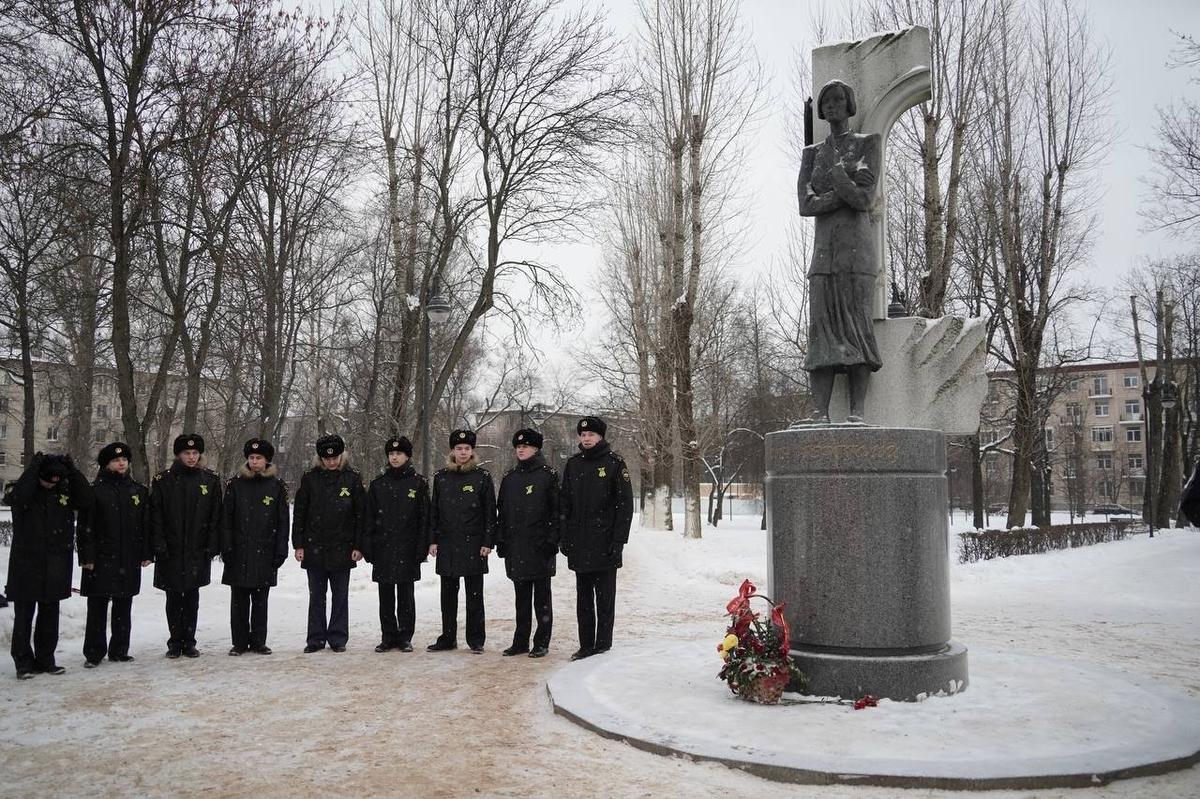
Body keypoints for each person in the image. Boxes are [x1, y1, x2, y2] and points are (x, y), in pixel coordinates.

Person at [797, 79, 883, 423]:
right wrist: (843, 190)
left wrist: (835, 176)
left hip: (857, 255)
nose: (831, 105)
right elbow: (806, 204)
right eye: (825, 101)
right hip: (823, 257)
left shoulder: (866, 144)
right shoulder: (812, 153)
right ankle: (820, 412)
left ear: (849, 104)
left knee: (857, 330)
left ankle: (857, 411)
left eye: (837, 99)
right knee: (820, 334)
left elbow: (864, 199)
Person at [5, 453, 92, 678]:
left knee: (50, 615)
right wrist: (33, 469)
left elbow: (86, 499)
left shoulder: (63, 493)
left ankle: (46, 659)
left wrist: (73, 471)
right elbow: (18, 497)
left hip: (55, 563)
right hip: (26, 564)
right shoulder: (25, 492)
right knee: (24, 617)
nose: (51, 484)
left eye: (55, 481)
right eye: (47, 480)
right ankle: (23, 662)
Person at [560, 416, 633, 661]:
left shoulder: (614, 464)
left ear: (600, 437)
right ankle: (585, 644)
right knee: (583, 599)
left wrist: (618, 540)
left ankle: (602, 644)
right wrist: (565, 536)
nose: (586, 438)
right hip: (580, 543)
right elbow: (565, 503)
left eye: (591, 434)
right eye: (583, 435)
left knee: (604, 598)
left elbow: (625, 505)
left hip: (605, 543)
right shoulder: (573, 464)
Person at [150, 433, 223, 659]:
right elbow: (156, 516)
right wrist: (159, 545)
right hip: (171, 550)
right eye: (186, 453)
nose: (191, 457)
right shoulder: (163, 481)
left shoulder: (209, 481)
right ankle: (175, 642)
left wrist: (212, 545)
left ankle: (189, 641)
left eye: (195, 453)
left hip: (197, 549)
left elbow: (215, 516)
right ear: (178, 455)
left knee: (192, 597)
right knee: (173, 598)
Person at [77, 442, 150, 668]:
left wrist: (146, 552)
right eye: (116, 460)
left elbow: (145, 525)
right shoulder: (95, 491)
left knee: (123, 605)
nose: (121, 463)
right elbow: (85, 527)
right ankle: (93, 652)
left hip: (128, 557)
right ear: (106, 464)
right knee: (97, 607)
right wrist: (87, 557)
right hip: (101, 558)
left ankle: (119, 649)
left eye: (124, 460)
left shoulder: (137, 491)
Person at [292, 434, 365, 653]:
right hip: (314, 547)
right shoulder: (309, 479)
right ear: (320, 458)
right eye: (327, 458)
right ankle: (315, 639)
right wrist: (298, 544)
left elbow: (361, 515)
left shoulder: (352, 478)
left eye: (335, 458)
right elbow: (300, 513)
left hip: (343, 547)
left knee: (340, 596)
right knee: (316, 596)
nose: (331, 462)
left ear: (342, 456)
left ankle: (338, 638)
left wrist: (358, 546)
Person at [427, 429, 495, 654]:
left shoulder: (482, 477)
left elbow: (489, 512)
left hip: (474, 544)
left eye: (467, 448)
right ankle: (448, 638)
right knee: (447, 596)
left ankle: (476, 640)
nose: (463, 452)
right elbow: (434, 511)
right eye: (459, 448)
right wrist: (433, 539)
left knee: (474, 596)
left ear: (472, 450)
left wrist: (487, 541)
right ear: (452, 451)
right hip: (447, 544)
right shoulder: (441, 477)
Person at [220, 438, 289, 656]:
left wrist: (281, 550)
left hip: (265, 552)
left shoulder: (276, 486)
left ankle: (259, 641)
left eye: (259, 458)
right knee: (239, 602)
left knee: (261, 601)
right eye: (251, 457)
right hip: (238, 551)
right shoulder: (235, 485)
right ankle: (239, 642)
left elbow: (283, 521)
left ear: (267, 460)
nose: (255, 461)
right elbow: (226, 520)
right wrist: (226, 547)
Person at [495, 428, 559, 658]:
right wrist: (501, 539)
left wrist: (552, 541)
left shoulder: (548, 476)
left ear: (536, 448)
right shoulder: (510, 478)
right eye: (518, 447)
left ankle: (541, 641)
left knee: (542, 599)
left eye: (526, 446)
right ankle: (520, 641)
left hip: (540, 546)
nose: (521, 450)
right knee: (521, 599)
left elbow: (556, 512)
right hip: (516, 547)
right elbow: (502, 512)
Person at [365, 436, 429, 653]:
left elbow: (424, 518)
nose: (394, 457)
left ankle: (405, 636)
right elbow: (369, 518)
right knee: (385, 596)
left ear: (407, 456)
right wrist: (369, 546)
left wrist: (421, 548)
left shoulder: (418, 483)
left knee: (406, 596)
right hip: (383, 548)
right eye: (391, 454)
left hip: (408, 548)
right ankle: (388, 636)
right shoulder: (378, 484)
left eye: (399, 453)